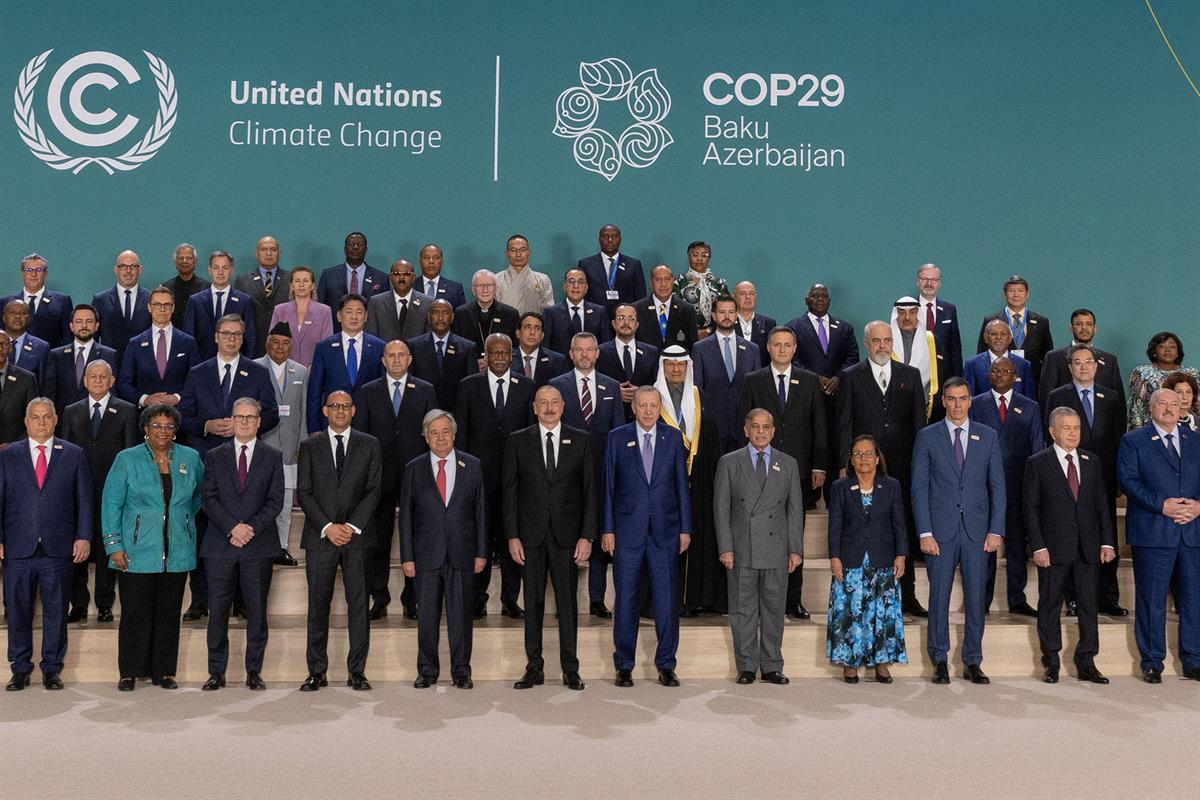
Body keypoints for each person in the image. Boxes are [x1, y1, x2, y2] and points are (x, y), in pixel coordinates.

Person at [177, 314, 279, 619]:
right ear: (216, 337)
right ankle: (200, 600)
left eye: (237, 334)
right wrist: (207, 425)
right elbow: (184, 414)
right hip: (208, 460)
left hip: (245, 463)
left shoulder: (257, 373)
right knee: (205, 528)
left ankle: (242, 601)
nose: (232, 338)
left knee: (243, 524)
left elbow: (272, 413)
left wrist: (243, 427)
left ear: (243, 338)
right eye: (226, 333)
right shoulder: (198, 372)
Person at [101, 404, 204, 691]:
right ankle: (129, 672)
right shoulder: (126, 459)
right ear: (145, 429)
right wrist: (114, 546)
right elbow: (111, 504)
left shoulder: (191, 458)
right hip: (135, 551)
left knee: (169, 613)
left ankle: (165, 672)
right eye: (156, 425)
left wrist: (180, 521)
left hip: (177, 551)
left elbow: (198, 498)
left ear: (176, 430)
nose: (163, 431)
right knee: (135, 613)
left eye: (169, 426)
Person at [911, 377, 1006, 685]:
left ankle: (973, 660)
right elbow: (919, 487)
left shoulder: (987, 436)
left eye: (962, 398)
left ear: (970, 401)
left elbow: (998, 487)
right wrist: (924, 531)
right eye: (951, 399)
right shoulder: (927, 436)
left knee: (977, 598)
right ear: (944, 401)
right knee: (939, 597)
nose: (957, 404)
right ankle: (939, 659)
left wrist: (996, 530)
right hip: (940, 531)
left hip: (978, 532)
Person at [504, 385, 597, 690]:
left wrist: (587, 537)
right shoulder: (518, 441)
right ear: (534, 407)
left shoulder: (581, 440)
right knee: (532, 603)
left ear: (563, 406)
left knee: (567, 604)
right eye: (542, 403)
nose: (548, 408)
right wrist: (512, 536)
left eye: (554, 402)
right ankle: (534, 667)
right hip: (529, 537)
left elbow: (589, 493)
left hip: (567, 537)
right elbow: (510, 494)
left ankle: (571, 668)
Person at [836, 321, 928, 617]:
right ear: (866, 343)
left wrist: (921, 465)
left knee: (905, 527)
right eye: (876, 341)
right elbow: (845, 422)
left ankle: (908, 594)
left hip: (903, 466)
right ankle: (862, 594)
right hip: (863, 465)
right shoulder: (851, 377)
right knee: (865, 527)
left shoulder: (910, 376)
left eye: (887, 340)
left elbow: (919, 426)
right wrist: (843, 463)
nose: (883, 346)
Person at [603, 386, 692, 687]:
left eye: (654, 405)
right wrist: (607, 529)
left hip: (665, 533)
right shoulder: (617, 438)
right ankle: (623, 665)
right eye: (643, 405)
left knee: (666, 602)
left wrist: (685, 528)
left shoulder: (672, 437)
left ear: (659, 407)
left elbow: (681, 485)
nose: (649, 411)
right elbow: (609, 488)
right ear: (634, 408)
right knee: (626, 600)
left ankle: (666, 664)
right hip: (627, 532)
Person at [0, 398, 92, 691]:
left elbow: (85, 500)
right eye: (35, 417)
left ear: (55, 421)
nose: (41, 423)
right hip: (17, 547)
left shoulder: (74, 454)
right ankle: (20, 668)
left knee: (55, 611)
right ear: (25, 422)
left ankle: (52, 668)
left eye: (46, 417)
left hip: (58, 547)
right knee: (17, 611)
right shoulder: (8, 455)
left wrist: (84, 536)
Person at [737, 326, 827, 618]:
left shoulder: (810, 380)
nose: (783, 350)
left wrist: (818, 464)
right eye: (777, 345)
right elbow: (745, 424)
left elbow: (818, 426)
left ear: (795, 348)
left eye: (788, 345)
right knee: (762, 534)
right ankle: (765, 600)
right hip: (760, 471)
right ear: (768, 347)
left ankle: (793, 598)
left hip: (798, 471)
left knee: (793, 535)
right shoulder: (754, 380)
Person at [296, 390, 382, 692]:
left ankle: (357, 671)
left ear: (354, 410)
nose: (341, 411)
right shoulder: (309, 446)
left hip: (357, 539)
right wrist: (329, 526)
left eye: (346, 406)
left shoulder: (370, 445)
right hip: (321, 537)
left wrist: (352, 525)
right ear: (324, 410)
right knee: (318, 606)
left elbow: (373, 490)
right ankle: (316, 671)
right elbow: (303, 492)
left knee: (358, 606)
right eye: (335, 406)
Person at [1024, 407, 1115, 684]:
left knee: (1089, 605)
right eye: (1067, 428)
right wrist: (1038, 547)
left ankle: (1087, 661)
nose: (1073, 433)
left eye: (1076, 428)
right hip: (1053, 550)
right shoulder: (1038, 462)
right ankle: (1051, 661)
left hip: (1087, 548)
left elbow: (1101, 504)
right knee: (1050, 605)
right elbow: (1031, 508)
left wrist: (1107, 541)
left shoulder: (1091, 461)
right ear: (1053, 431)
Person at [714, 408, 804, 685]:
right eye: (756, 426)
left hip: (776, 547)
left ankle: (772, 665)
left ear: (773, 431)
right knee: (743, 609)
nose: (761, 432)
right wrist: (726, 547)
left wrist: (796, 549)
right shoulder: (730, 462)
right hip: (742, 547)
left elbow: (794, 510)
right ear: (746, 430)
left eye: (766, 427)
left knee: (774, 609)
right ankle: (747, 666)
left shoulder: (788, 464)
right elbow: (722, 509)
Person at [200, 398, 285, 691]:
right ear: (232, 420)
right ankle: (216, 672)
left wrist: (250, 529)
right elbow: (208, 498)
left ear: (260, 422)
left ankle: (253, 671)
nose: (246, 422)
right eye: (240, 417)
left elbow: (275, 501)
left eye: (251, 417)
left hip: (258, 544)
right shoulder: (214, 456)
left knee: (257, 612)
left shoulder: (273, 456)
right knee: (218, 611)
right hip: (220, 544)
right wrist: (232, 528)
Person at [400, 410, 488, 689]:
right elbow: (406, 518)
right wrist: (407, 557)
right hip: (426, 555)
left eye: (445, 432)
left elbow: (480, 512)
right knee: (426, 617)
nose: (440, 438)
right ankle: (427, 670)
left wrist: (481, 551)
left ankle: (461, 670)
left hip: (462, 553)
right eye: (434, 433)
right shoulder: (413, 468)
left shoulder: (472, 465)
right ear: (426, 437)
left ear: (454, 434)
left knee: (461, 617)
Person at [1118, 389, 1200, 682]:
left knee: (1193, 600)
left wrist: (1199, 507)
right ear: (1150, 407)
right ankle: (1152, 661)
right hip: (1153, 533)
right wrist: (1161, 505)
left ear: (1182, 408)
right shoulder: (1133, 441)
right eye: (1162, 403)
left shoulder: (1196, 440)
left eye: (1174, 404)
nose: (1169, 408)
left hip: (1191, 533)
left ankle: (1193, 659)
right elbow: (1127, 481)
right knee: (1151, 601)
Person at [353, 339, 436, 620]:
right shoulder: (367, 392)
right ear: (383, 360)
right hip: (379, 477)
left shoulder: (425, 390)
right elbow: (360, 439)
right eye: (392, 355)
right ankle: (379, 595)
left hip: (416, 476)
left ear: (410, 359)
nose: (397, 360)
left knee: (416, 537)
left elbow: (433, 436)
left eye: (402, 355)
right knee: (379, 539)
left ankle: (412, 596)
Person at [455, 333, 534, 618]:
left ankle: (510, 599)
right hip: (478, 478)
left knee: (512, 537)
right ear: (485, 356)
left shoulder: (526, 386)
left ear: (511, 355)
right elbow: (461, 434)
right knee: (481, 540)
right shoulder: (468, 386)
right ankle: (477, 598)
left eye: (505, 352)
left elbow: (530, 435)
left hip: (516, 481)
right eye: (494, 353)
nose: (500, 357)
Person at [1046, 343, 1128, 616]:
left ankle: (1108, 597)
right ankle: (1073, 597)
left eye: (1089, 362)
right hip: (1070, 476)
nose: (1084, 366)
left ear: (1096, 366)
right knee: (1072, 535)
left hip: (1103, 477)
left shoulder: (1112, 396)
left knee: (1107, 537)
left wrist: (1117, 480)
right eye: (1078, 362)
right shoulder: (1058, 395)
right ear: (1070, 367)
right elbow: (1052, 439)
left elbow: (1119, 439)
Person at [550, 332, 625, 617]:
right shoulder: (557, 387)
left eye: (589, 350)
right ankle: (564, 600)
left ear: (597, 353)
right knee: (567, 536)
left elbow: (618, 433)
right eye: (578, 350)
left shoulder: (612, 386)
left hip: (603, 473)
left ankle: (596, 599)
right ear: (570, 353)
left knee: (598, 535)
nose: (584, 355)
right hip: (567, 476)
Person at [825, 434, 907, 684]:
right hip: (851, 559)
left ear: (877, 457)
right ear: (851, 459)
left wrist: (901, 554)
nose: (863, 458)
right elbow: (835, 525)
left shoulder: (891, 485)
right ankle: (850, 664)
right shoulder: (840, 487)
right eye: (858, 454)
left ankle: (882, 663)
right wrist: (834, 557)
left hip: (883, 559)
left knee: (883, 614)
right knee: (850, 612)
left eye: (868, 453)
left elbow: (899, 524)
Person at [60, 361, 138, 623]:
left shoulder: (127, 411)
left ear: (112, 380)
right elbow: (64, 454)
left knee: (108, 548)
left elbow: (130, 452)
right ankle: (79, 604)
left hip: (112, 493)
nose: (97, 380)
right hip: (78, 492)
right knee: (79, 549)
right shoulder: (71, 411)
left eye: (102, 377)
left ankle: (105, 604)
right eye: (92, 376)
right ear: (84, 381)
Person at [968, 356, 1043, 615]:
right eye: (995, 370)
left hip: (1017, 486)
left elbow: (1036, 451)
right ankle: (981, 599)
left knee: (1015, 548)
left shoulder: (1030, 407)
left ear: (1015, 377)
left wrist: (1033, 487)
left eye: (1006, 371)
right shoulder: (975, 405)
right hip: (982, 488)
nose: (1000, 374)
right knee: (984, 546)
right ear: (989, 374)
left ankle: (1017, 598)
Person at [655, 346, 723, 615]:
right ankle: (666, 600)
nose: (675, 369)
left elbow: (710, 439)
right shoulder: (652, 400)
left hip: (698, 484)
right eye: (670, 364)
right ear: (662, 367)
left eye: (680, 365)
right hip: (664, 487)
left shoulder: (699, 397)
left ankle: (696, 597)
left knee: (698, 538)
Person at [788, 284, 859, 494]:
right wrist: (813, 378)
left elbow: (852, 357)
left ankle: (832, 491)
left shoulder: (844, 328)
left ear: (829, 300)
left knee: (835, 442)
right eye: (815, 296)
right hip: (808, 397)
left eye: (824, 296)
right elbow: (793, 358)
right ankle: (809, 493)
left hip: (837, 398)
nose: (820, 299)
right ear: (806, 300)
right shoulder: (794, 327)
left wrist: (838, 378)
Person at [256, 321, 308, 567]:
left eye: (285, 343)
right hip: (263, 446)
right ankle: (262, 544)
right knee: (260, 498)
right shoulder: (254, 368)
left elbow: (304, 411)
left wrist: (303, 443)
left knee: (286, 502)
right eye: (275, 342)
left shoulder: (300, 372)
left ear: (291, 346)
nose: (280, 347)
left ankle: (282, 547)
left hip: (290, 448)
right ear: (267, 344)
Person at [305, 294, 385, 434]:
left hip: (369, 424)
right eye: (349, 312)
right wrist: (314, 428)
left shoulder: (379, 347)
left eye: (359, 312)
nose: (354, 317)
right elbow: (315, 391)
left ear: (366, 316)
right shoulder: (324, 347)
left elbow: (383, 390)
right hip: (331, 422)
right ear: (339, 316)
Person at [692, 295, 761, 453]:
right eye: (722, 312)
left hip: (744, 427)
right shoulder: (700, 349)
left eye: (731, 312)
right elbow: (697, 390)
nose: (727, 316)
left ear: (736, 315)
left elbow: (757, 391)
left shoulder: (752, 349)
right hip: (712, 427)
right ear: (714, 316)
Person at [117, 286, 201, 408]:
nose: (162, 309)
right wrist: (145, 399)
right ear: (149, 308)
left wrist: (177, 397)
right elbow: (124, 384)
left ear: (172, 308)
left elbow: (197, 381)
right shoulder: (135, 344)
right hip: (145, 416)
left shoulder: (188, 342)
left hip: (180, 414)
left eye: (166, 305)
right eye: (157, 305)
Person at [1038, 308, 1125, 410]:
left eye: (1089, 324)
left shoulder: (1109, 361)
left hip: (1101, 423)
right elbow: (1045, 399)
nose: (1084, 328)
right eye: (1079, 324)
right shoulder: (1054, 358)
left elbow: (1119, 403)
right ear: (1071, 328)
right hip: (1064, 423)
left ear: (1094, 329)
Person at [41, 304, 119, 418]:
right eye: (78, 321)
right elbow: (49, 393)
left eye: (89, 321)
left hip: (97, 420)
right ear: (71, 326)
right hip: (63, 421)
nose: (84, 325)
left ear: (96, 326)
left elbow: (113, 393)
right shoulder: (56, 355)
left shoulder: (109, 355)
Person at [976, 274, 1054, 380]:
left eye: (1020, 291)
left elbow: (1047, 357)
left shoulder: (1041, 322)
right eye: (1011, 291)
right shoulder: (991, 320)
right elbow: (982, 354)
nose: (1016, 295)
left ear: (1027, 294)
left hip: (1032, 380)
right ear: (1004, 294)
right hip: (999, 380)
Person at [184, 251, 258, 360]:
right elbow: (188, 338)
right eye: (216, 268)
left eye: (225, 268)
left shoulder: (245, 301)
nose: (220, 272)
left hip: (235, 367)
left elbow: (251, 340)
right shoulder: (195, 301)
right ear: (209, 270)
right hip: (202, 367)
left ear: (232, 270)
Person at [407, 299, 475, 411]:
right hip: (422, 412)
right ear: (428, 317)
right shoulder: (414, 346)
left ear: (452, 317)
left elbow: (471, 388)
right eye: (435, 313)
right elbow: (410, 384)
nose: (440, 317)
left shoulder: (468, 348)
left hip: (455, 414)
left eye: (445, 313)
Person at [597, 303, 659, 421]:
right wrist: (614, 391)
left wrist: (641, 393)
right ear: (614, 324)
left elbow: (657, 384)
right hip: (611, 418)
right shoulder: (600, 352)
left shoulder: (651, 352)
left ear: (637, 325)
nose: (626, 322)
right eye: (621, 318)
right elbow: (596, 383)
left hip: (644, 419)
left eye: (631, 318)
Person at [267, 266, 333, 369]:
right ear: (292, 286)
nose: (301, 284)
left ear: (312, 286)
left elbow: (327, 346)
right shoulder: (279, 310)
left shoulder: (324, 311)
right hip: (284, 370)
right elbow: (272, 343)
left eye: (306, 281)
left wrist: (314, 367)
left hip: (314, 370)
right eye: (297, 281)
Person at [91, 250, 151, 363]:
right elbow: (93, 339)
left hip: (143, 366)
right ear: (116, 270)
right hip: (109, 366)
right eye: (123, 266)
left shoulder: (151, 299)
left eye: (133, 266)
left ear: (140, 270)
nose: (128, 271)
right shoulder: (100, 300)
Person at [1128, 331, 1197, 429]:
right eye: (1162, 346)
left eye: (1172, 347)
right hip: (1152, 429)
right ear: (1154, 352)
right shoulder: (1142, 373)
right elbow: (1135, 407)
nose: (1167, 350)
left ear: (1178, 352)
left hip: (1188, 427)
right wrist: (1138, 434)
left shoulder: (1191, 373)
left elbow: (1197, 404)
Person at [235, 236, 292, 356]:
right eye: (264, 249)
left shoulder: (291, 279)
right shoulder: (243, 280)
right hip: (252, 345)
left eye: (273, 249)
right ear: (257, 253)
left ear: (279, 253)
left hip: (283, 346)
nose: (269, 253)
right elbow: (238, 317)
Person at [3, 253, 72, 347]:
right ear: (22, 273)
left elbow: (68, 339)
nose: (33, 274)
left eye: (38, 270)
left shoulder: (62, 301)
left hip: (49, 359)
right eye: (29, 270)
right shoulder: (5, 303)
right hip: (13, 359)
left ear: (45, 273)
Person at [891, 296, 944, 419]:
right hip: (893, 410)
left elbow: (941, 375)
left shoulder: (932, 340)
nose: (907, 317)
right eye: (902, 312)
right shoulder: (887, 341)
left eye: (913, 312)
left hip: (927, 409)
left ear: (918, 314)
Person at [452, 269, 520, 363]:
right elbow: (457, 346)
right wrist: (474, 363)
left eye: (489, 285)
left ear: (495, 288)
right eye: (480, 286)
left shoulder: (511, 314)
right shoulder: (461, 313)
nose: (485, 290)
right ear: (473, 290)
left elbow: (516, 348)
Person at [577, 224, 646, 316]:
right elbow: (581, 296)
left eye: (614, 237)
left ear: (620, 240)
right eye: (606, 236)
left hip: (625, 320)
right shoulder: (586, 265)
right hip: (594, 318)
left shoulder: (633, 265)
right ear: (599, 240)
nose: (610, 240)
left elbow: (640, 298)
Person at [541, 268, 611, 355]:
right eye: (571, 281)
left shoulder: (599, 312)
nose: (576, 286)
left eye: (581, 282)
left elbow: (605, 347)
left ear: (586, 288)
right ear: (564, 286)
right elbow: (545, 347)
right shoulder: (550, 313)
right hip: (560, 367)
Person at [964, 319, 1035, 398]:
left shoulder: (1023, 365)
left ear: (1010, 338)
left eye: (1003, 334)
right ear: (985, 338)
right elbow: (968, 400)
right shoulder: (972, 365)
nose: (998, 337)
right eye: (993, 334)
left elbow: (1030, 401)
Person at [316, 231, 388, 310]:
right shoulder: (328, 275)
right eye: (351, 244)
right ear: (345, 249)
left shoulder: (381, 278)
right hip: (335, 322)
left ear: (366, 249)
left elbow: (385, 310)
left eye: (360, 244)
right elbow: (320, 307)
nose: (355, 247)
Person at [915, 262, 963, 378]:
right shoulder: (909, 309)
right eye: (924, 279)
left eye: (933, 280)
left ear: (939, 283)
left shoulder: (949, 309)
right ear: (918, 282)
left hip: (943, 374)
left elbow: (955, 349)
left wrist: (957, 379)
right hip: (915, 372)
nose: (929, 283)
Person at [365, 259, 431, 343]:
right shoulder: (376, 302)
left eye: (406, 274)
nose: (401, 277)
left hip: (417, 355)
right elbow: (371, 337)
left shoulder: (427, 303)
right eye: (396, 274)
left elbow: (429, 339)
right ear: (390, 277)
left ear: (413, 277)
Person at [636, 265, 699, 351]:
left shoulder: (686, 310)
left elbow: (693, 346)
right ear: (651, 282)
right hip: (647, 363)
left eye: (667, 279)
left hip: (676, 362)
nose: (663, 284)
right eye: (658, 280)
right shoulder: (638, 309)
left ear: (673, 281)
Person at [673, 240, 729, 334]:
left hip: (715, 334)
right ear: (688, 257)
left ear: (709, 258)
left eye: (704, 255)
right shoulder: (678, 282)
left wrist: (709, 330)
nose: (699, 259)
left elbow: (727, 309)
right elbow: (674, 311)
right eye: (695, 255)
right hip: (685, 333)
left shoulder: (718, 283)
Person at [495, 234, 554, 315]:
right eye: (513, 250)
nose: (518, 254)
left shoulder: (543, 279)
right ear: (506, 253)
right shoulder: (496, 280)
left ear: (529, 252)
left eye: (522, 250)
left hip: (533, 327)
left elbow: (549, 313)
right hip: (504, 327)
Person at [510, 312, 570, 388]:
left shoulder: (558, 361)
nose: (532, 332)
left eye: (537, 328)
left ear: (542, 335)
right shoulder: (507, 359)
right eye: (528, 327)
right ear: (518, 333)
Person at [0, 331, 38, 445]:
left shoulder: (26, 379)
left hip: (15, 451)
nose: (0, 349)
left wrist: (14, 445)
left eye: (4, 344)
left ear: (10, 348)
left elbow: (34, 419)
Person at [162, 243, 209, 329]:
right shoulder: (166, 288)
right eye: (180, 258)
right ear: (175, 262)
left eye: (189, 258)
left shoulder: (207, 287)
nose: (185, 261)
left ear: (195, 262)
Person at [2, 298, 50, 381]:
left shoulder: (42, 347)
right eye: (12, 313)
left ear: (29, 319)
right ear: (4, 318)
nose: (18, 316)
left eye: (23, 313)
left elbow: (45, 383)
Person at [732, 281, 775, 368]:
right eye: (743, 293)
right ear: (734, 297)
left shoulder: (768, 324)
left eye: (751, 293)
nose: (748, 297)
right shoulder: (726, 323)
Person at [416, 243, 466, 309]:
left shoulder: (455, 289)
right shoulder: (410, 287)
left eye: (436, 258)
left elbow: (461, 317)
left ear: (442, 262)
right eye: (426, 258)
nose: (431, 261)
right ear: (420, 262)